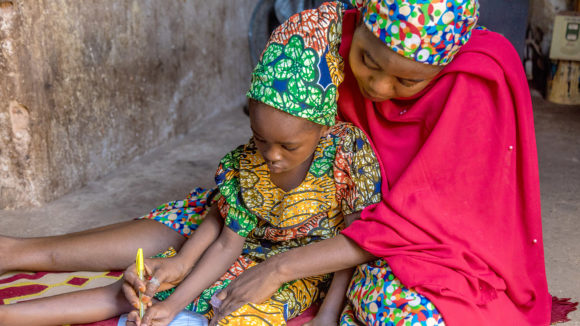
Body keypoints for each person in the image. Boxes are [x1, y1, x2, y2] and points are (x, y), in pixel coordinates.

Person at [0, 0, 553, 325]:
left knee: (395, 299)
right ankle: (20, 251)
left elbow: (423, 222)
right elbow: (258, 162)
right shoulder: (313, 36)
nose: (379, 88)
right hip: (278, 198)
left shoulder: (475, 83)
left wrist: (282, 268)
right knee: (201, 225)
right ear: (355, 22)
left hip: (374, 230)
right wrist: (232, 230)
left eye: (407, 81)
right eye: (365, 61)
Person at [0, 3, 382, 325]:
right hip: (246, 248)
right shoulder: (248, 162)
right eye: (261, 138)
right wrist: (171, 300)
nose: (272, 155)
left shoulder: (346, 153)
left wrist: (328, 314)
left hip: (299, 268)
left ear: (324, 124)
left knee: (237, 314)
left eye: (288, 145)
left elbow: (355, 237)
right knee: (139, 291)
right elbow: (228, 242)